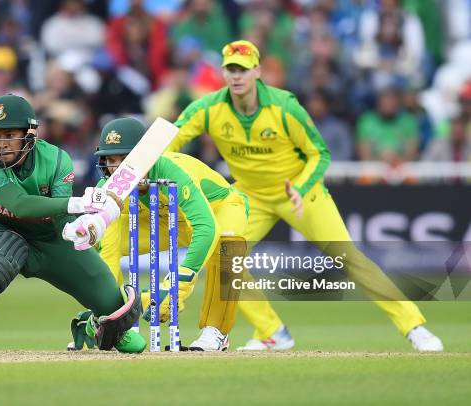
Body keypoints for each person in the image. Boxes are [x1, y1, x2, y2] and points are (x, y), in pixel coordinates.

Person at [169, 40, 443, 352]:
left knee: (349, 258)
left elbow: (319, 154)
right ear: (223, 72)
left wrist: (299, 188)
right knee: (223, 256)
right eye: (231, 69)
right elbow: (169, 142)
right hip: (250, 194)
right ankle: (271, 331)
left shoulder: (284, 107)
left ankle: (414, 327)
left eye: (244, 69)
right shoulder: (208, 109)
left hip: (299, 192)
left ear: (257, 71)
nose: (237, 76)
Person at [0, 94, 145, 354]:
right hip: (5, 229)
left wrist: (80, 227)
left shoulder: (56, 160)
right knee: (1, 251)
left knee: (111, 301)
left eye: (9, 135)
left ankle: (97, 326)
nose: (2, 144)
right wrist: (79, 204)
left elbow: (58, 216)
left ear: (29, 135)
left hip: (52, 236)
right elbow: (19, 204)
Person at [93, 117, 248, 351]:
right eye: (110, 160)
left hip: (219, 209)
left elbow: (207, 227)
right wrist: (107, 312)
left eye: (124, 159)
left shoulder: (171, 171)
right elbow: (110, 253)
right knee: (102, 241)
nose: (117, 169)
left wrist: (176, 286)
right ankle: (114, 323)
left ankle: (216, 331)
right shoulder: (109, 188)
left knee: (227, 243)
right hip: (166, 221)